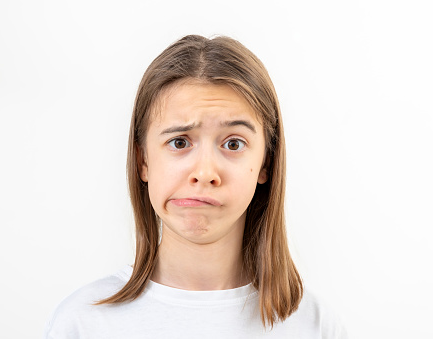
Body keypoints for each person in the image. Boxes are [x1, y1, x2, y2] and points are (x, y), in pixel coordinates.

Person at [44, 34, 347, 338]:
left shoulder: (314, 325)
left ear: (266, 163)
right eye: (179, 142)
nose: (204, 173)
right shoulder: (83, 323)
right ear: (143, 161)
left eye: (233, 143)